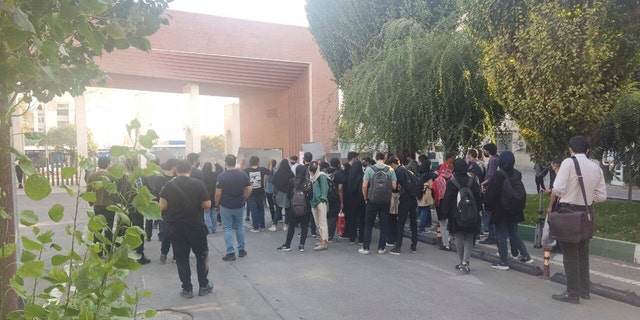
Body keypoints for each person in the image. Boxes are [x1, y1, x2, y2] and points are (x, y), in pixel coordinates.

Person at [551, 136, 607, 304]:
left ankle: (572, 293)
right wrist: (588, 199)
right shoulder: (595, 167)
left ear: (570, 150)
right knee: (583, 252)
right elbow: (602, 196)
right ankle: (584, 290)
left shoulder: (568, 162)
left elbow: (559, 188)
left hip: (569, 213)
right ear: (588, 150)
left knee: (570, 255)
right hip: (586, 213)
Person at [159, 159, 212, 299]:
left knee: (182, 258)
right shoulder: (197, 184)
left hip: (176, 227)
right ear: (190, 170)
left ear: (176, 170)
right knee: (201, 255)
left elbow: (162, 206)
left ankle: (187, 289)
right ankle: (204, 285)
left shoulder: (168, 186)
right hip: (195, 225)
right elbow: (207, 204)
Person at [483, 151, 533, 270]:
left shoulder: (498, 175)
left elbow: (491, 194)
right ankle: (525, 255)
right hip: (515, 209)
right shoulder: (517, 174)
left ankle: (503, 261)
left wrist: (487, 205)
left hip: (501, 209)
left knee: (501, 235)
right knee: (514, 233)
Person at [443, 159, 482, 273]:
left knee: (459, 238)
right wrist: (477, 211)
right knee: (469, 237)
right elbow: (479, 197)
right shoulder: (472, 181)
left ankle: (462, 261)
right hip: (471, 214)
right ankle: (466, 261)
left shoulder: (451, 182)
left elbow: (447, 200)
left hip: (456, 215)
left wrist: (445, 213)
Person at [215, 154, 252, 261]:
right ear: (235, 161)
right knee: (239, 226)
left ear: (225, 162)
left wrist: (216, 205)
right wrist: (244, 199)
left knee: (227, 228)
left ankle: (230, 252)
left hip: (226, 205)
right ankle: (241, 250)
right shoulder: (242, 174)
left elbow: (218, 193)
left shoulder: (222, 176)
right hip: (239, 205)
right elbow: (249, 189)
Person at [359, 152, 397, 255]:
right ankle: (381, 248)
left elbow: (364, 186)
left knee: (368, 224)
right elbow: (394, 186)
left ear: (375, 158)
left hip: (372, 200)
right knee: (384, 224)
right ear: (384, 158)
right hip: (385, 201)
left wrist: (365, 197)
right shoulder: (390, 170)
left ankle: (366, 248)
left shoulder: (369, 169)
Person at [387, 157, 418, 255]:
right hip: (413, 198)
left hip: (405, 199)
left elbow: (395, 187)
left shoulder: (398, 171)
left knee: (400, 223)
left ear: (393, 164)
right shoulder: (407, 170)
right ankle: (414, 246)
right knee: (413, 223)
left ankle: (398, 247)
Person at [277, 165, 311, 252]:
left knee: (291, 226)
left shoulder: (292, 181)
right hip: (305, 208)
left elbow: (288, 194)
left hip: (293, 207)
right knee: (304, 226)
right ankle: (301, 245)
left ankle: (287, 244)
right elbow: (311, 196)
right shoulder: (308, 182)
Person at [86, 157, 117, 255]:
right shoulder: (112, 176)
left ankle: (98, 252)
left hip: (97, 205)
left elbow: (88, 192)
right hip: (110, 205)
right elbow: (115, 191)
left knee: (98, 230)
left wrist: (91, 203)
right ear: (108, 164)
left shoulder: (92, 176)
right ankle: (109, 251)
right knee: (108, 229)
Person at [156, 158, 177, 263]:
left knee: (176, 233)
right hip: (164, 209)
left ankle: (175, 255)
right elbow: (157, 193)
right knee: (165, 232)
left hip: (176, 210)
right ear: (174, 167)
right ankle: (164, 252)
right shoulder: (161, 178)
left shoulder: (178, 178)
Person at [479, 143, 499, 245]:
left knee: (489, 213)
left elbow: (491, 177)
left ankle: (492, 236)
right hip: (494, 189)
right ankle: (494, 235)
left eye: (484, 150)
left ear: (488, 151)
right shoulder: (497, 159)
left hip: (489, 190)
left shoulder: (492, 160)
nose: (484, 152)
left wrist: (481, 184)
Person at [244, 156, 271, 232]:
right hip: (261, 193)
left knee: (254, 210)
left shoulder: (247, 170)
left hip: (251, 193)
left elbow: (240, 171)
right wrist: (270, 162)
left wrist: (242, 162)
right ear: (258, 162)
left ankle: (255, 227)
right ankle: (262, 226)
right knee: (261, 210)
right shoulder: (262, 169)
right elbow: (269, 171)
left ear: (250, 163)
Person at [323, 157, 345, 242]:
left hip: (324, 196)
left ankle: (323, 235)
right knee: (332, 217)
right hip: (334, 198)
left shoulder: (323, 171)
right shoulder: (339, 174)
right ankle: (330, 236)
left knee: (324, 216)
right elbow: (340, 189)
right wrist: (342, 202)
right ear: (338, 164)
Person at [309, 161, 329, 250]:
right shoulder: (312, 177)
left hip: (321, 202)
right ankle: (322, 239)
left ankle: (324, 242)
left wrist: (321, 200)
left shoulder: (322, 176)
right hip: (313, 202)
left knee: (322, 223)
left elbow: (325, 189)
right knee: (318, 223)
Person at [433, 164, 452, 250]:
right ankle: (448, 239)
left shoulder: (438, 180)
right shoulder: (453, 178)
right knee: (449, 223)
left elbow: (435, 193)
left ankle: (445, 244)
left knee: (443, 225)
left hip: (441, 203)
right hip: (452, 204)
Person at [273, 159, 294, 232]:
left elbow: (274, 182)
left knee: (278, 209)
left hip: (280, 193)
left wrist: (276, 192)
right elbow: (293, 182)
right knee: (288, 210)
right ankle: (286, 225)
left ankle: (274, 225)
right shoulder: (290, 173)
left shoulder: (278, 172)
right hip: (288, 193)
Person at [202, 161, 223, 234]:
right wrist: (215, 162)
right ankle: (214, 228)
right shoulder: (214, 175)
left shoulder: (202, 176)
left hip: (205, 196)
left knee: (206, 213)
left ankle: (209, 229)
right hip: (214, 196)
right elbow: (220, 169)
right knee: (214, 213)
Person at [416, 155, 434, 233]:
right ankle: (421, 228)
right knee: (424, 211)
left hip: (419, 193)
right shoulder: (428, 174)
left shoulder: (420, 172)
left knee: (418, 210)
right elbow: (431, 185)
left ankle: (411, 226)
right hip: (426, 195)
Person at [265, 159, 279, 231]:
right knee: (277, 205)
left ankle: (273, 218)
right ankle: (278, 217)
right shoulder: (277, 171)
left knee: (271, 205)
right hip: (275, 189)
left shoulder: (269, 171)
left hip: (268, 190)